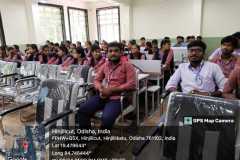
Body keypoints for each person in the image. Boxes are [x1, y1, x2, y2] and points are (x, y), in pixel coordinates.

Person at [77, 42, 136, 129]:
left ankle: (101, 137)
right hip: (103, 95)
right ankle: (85, 135)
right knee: (82, 110)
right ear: (107, 53)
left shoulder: (128, 66)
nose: (113, 53)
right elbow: (96, 80)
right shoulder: (105, 65)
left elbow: (131, 84)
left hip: (119, 98)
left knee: (107, 118)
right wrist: (100, 88)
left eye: (116, 51)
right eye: (110, 51)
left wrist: (111, 90)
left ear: (121, 52)